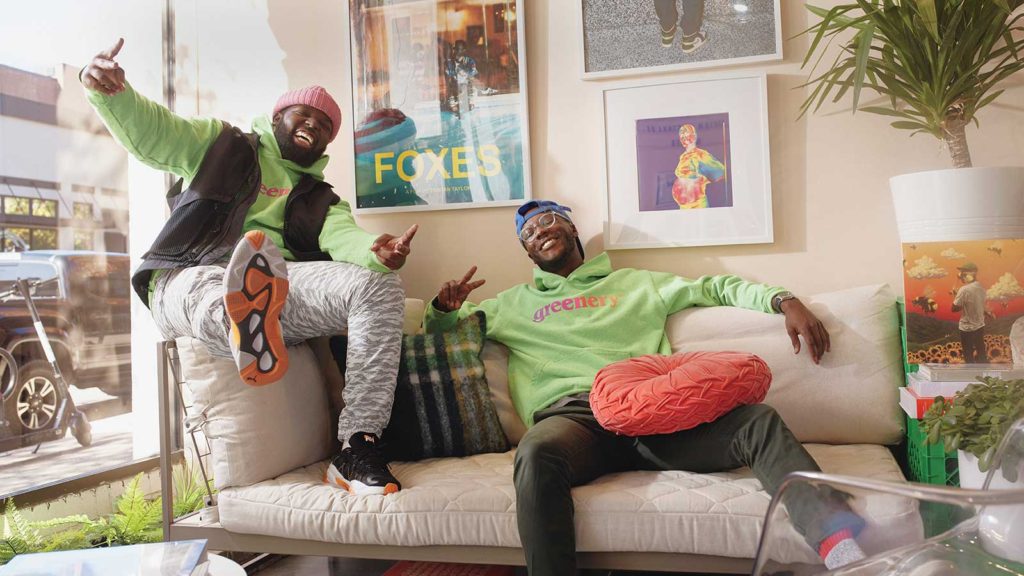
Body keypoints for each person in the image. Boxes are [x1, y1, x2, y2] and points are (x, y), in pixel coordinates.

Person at [425, 200, 867, 575]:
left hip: (653, 415)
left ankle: (842, 552)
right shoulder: (510, 304)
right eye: (528, 233)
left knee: (758, 421)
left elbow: (714, 287)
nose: (539, 231)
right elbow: (443, 336)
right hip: (576, 421)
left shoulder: (638, 283)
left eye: (547, 220)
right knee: (537, 452)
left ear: (571, 228)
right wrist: (442, 310)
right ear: (528, 252)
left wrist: (783, 300)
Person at [81, 38, 411, 495]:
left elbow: (346, 239)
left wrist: (377, 251)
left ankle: (357, 446)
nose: (313, 126)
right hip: (190, 273)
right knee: (211, 288)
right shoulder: (222, 146)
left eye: (324, 126)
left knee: (377, 285)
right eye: (304, 115)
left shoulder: (322, 199)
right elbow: (159, 132)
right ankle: (240, 321)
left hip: (278, 287)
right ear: (277, 119)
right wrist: (114, 94)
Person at [672, 123, 726, 209]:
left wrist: (703, 179)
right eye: (682, 137)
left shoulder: (701, 154)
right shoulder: (683, 156)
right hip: (684, 207)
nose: (684, 139)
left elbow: (721, 172)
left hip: (697, 206)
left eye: (687, 135)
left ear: (694, 136)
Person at [951, 262, 994, 363]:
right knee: (981, 352)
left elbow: (954, 308)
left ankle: (971, 371)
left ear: (972, 273)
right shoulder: (981, 288)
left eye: (964, 273)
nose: (961, 276)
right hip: (979, 326)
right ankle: (983, 371)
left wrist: (956, 296)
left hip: (966, 328)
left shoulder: (964, 290)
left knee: (968, 355)